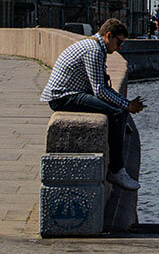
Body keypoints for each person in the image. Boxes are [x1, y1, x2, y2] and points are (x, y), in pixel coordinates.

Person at [40, 18, 145, 191]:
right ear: (108, 36)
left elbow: (102, 87)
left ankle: (119, 129)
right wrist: (127, 105)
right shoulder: (93, 50)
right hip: (64, 97)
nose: (119, 48)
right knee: (117, 113)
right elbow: (100, 91)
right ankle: (116, 170)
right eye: (118, 43)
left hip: (73, 93)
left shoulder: (95, 46)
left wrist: (126, 104)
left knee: (119, 110)